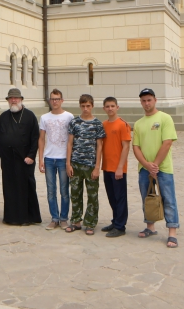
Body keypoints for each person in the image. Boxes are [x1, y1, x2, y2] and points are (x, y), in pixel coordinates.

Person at [133, 88, 180, 248]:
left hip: (164, 168)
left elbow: (167, 142)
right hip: (144, 169)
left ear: (155, 100)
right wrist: (147, 165)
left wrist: (155, 165)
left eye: (149, 100)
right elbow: (136, 147)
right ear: (141, 102)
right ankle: (150, 226)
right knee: (148, 199)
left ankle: (172, 231)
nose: (147, 103)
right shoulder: (139, 123)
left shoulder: (165, 118)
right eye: (144, 101)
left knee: (168, 199)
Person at [0, 88, 42, 225]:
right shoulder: (3, 116)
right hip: (8, 159)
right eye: (11, 98)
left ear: (21, 100)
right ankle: (10, 217)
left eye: (16, 98)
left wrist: (31, 156)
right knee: (9, 188)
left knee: (26, 187)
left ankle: (27, 218)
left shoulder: (30, 116)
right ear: (8, 100)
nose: (13, 100)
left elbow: (35, 138)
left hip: (24, 159)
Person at [65, 94, 105, 235]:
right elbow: (70, 143)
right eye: (83, 106)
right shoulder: (74, 122)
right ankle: (76, 221)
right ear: (80, 106)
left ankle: (90, 222)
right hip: (75, 164)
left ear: (92, 106)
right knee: (75, 194)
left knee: (92, 195)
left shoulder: (97, 124)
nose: (85, 108)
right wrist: (68, 163)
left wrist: (97, 167)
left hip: (90, 165)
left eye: (88, 106)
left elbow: (99, 146)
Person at [38, 89, 74, 230]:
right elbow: (41, 139)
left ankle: (64, 218)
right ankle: (54, 218)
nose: (55, 101)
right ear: (49, 101)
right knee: (51, 190)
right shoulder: (44, 118)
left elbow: (72, 139)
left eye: (57, 99)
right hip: (49, 158)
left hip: (63, 158)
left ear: (62, 100)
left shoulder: (69, 117)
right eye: (52, 99)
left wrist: (69, 161)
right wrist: (41, 158)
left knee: (64, 190)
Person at [100, 97, 131, 237]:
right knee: (111, 197)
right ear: (104, 108)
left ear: (117, 107)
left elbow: (126, 147)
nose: (110, 108)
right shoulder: (104, 124)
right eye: (107, 106)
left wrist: (120, 167)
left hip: (118, 168)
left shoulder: (123, 125)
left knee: (120, 197)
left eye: (113, 106)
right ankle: (115, 220)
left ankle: (120, 226)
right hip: (107, 167)